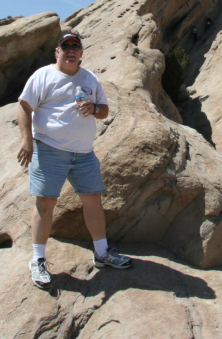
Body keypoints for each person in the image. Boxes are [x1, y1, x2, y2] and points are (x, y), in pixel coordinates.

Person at [17, 32, 132, 289]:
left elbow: (104, 110)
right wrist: (26, 140)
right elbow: (24, 106)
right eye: (65, 46)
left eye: (75, 46)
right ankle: (37, 260)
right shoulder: (43, 76)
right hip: (49, 149)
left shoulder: (90, 78)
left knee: (93, 200)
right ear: (57, 52)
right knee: (46, 203)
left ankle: (102, 253)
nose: (70, 50)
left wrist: (93, 108)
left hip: (83, 152)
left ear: (81, 53)